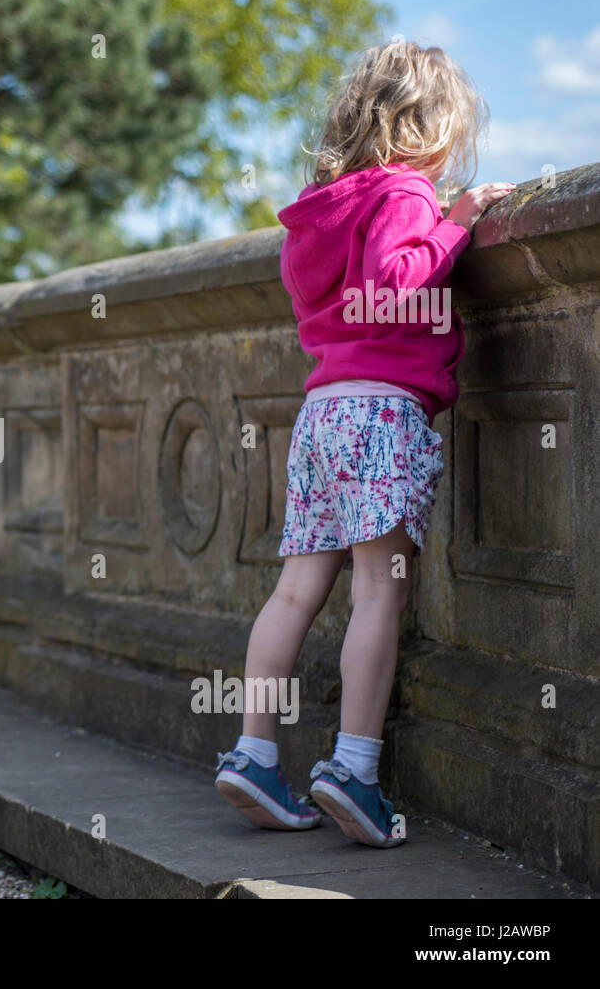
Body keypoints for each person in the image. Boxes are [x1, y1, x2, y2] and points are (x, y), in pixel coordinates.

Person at [214, 41, 515, 847]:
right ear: (431, 128)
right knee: (380, 590)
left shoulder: (320, 211)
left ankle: (253, 752)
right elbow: (395, 278)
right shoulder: (406, 192)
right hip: (382, 415)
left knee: (294, 592)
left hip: (322, 416)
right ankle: (353, 769)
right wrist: (456, 222)